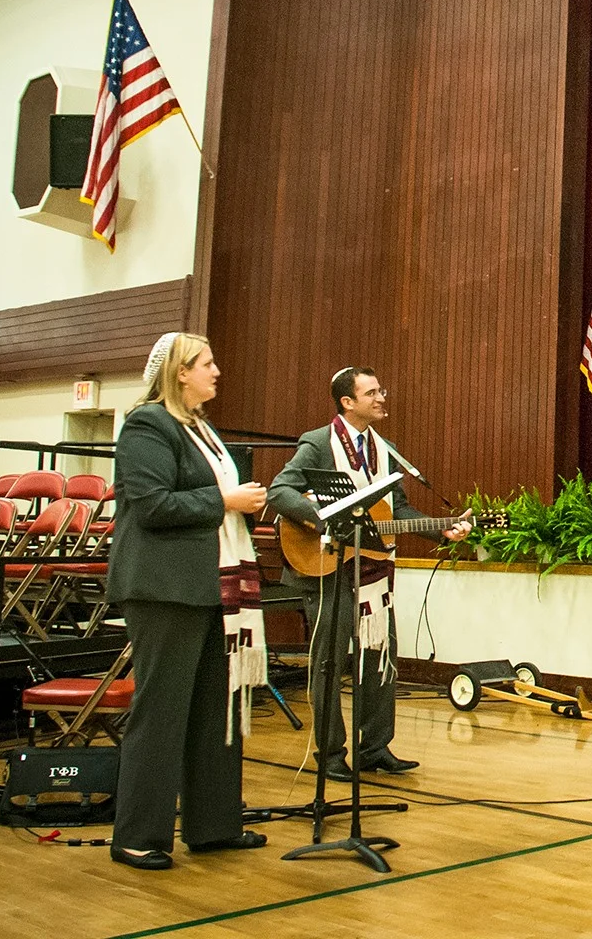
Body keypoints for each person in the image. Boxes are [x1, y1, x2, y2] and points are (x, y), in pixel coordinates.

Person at [108, 332, 270, 870]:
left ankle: (214, 826)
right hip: (165, 588)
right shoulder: (147, 424)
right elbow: (152, 505)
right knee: (162, 712)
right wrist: (225, 499)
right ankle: (138, 836)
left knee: (214, 708)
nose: (216, 371)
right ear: (180, 372)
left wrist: (240, 503)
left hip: (211, 584)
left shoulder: (201, 428)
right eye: (207, 363)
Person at [269, 366, 471, 780]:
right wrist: (324, 520)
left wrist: (441, 528)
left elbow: (398, 511)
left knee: (380, 656)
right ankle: (329, 754)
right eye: (372, 393)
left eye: (382, 391)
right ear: (347, 402)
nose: (381, 398)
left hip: (372, 570)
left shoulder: (386, 449)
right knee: (328, 662)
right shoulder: (318, 443)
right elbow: (279, 491)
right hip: (326, 566)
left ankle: (375, 748)